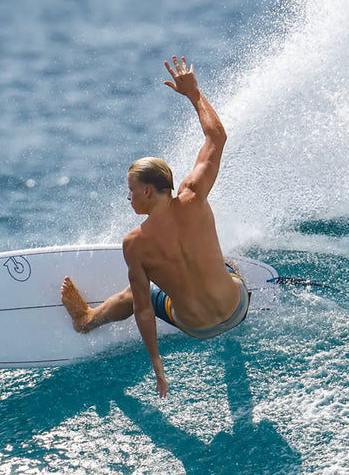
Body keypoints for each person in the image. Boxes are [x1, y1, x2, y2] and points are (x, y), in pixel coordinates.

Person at [61, 56, 249, 397]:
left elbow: (144, 311)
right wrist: (193, 94)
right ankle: (233, 279)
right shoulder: (195, 195)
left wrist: (158, 367)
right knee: (228, 265)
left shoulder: (135, 244)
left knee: (138, 291)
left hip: (197, 328)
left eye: (130, 191)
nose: (128, 198)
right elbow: (217, 137)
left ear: (147, 191)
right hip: (237, 309)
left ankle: (86, 320)